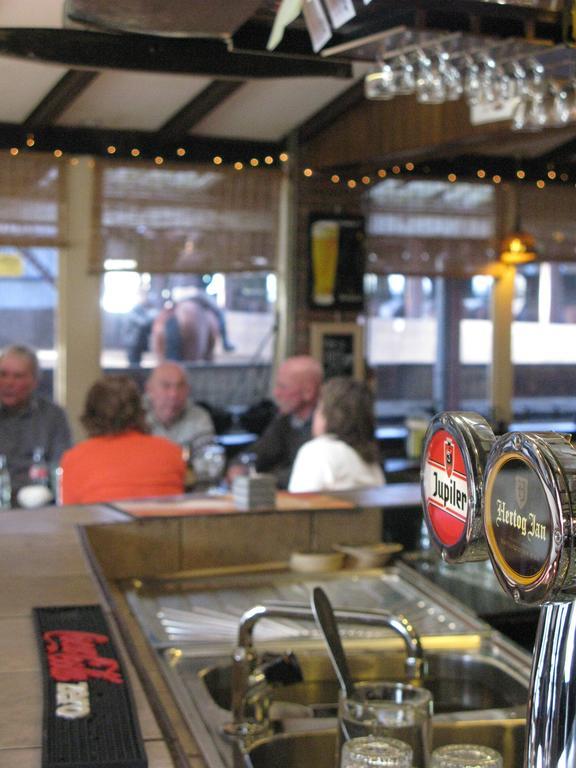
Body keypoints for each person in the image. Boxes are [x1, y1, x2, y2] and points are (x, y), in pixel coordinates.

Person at [60, 375, 185, 504]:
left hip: (101, 524)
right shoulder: (171, 452)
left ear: (90, 415)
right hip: (161, 524)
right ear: (140, 411)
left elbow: (70, 517)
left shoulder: (74, 459)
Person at [228, 355, 323, 489]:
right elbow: (260, 451)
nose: (276, 393)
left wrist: (262, 480)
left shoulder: (325, 424)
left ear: (308, 391)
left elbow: (310, 473)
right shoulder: (285, 420)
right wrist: (239, 466)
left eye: (283, 387)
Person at [288, 377, 385, 492]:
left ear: (327, 416)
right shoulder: (372, 464)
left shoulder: (317, 451)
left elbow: (298, 505)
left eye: (318, 408)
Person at [0, 344, 72, 498]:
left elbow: (61, 467)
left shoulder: (53, 416)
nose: (8, 383)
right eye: (3, 374)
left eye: (18, 376)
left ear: (34, 381)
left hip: (39, 503)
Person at [144, 361, 215, 451]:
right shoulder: (134, 416)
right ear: (149, 389)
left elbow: (206, 457)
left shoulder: (199, 417)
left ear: (188, 390)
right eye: (166, 386)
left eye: (180, 386)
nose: (173, 394)